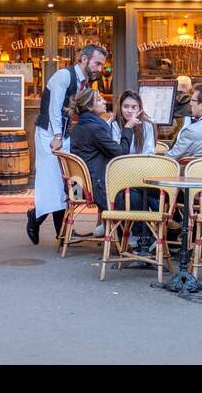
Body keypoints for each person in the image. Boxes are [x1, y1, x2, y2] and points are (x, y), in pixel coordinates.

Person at [26, 43, 108, 245]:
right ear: (84, 58)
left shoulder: (84, 82)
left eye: (101, 64)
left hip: (65, 135)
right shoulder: (64, 76)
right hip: (48, 134)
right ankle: (40, 220)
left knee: (65, 182)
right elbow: (54, 109)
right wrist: (56, 137)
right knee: (54, 182)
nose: (99, 68)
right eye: (97, 63)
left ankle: (57, 230)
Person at [66, 87, 128, 239]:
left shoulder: (80, 126)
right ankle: (131, 238)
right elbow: (121, 152)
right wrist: (128, 129)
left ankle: (109, 226)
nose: (104, 101)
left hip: (77, 187)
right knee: (133, 195)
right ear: (89, 106)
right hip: (95, 187)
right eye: (99, 100)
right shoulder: (95, 129)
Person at [109, 90, 158, 252]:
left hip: (142, 174)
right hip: (120, 178)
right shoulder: (113, 124)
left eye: (133, 107)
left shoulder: (147, 125)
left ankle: (147, 236)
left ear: (140, 108)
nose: (129, 110)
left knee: (154, 197)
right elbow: (117, 154)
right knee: (136, 195)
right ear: (120, 107)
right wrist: (128, 127)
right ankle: (146, 238)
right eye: (126, 106)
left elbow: (149, 153)